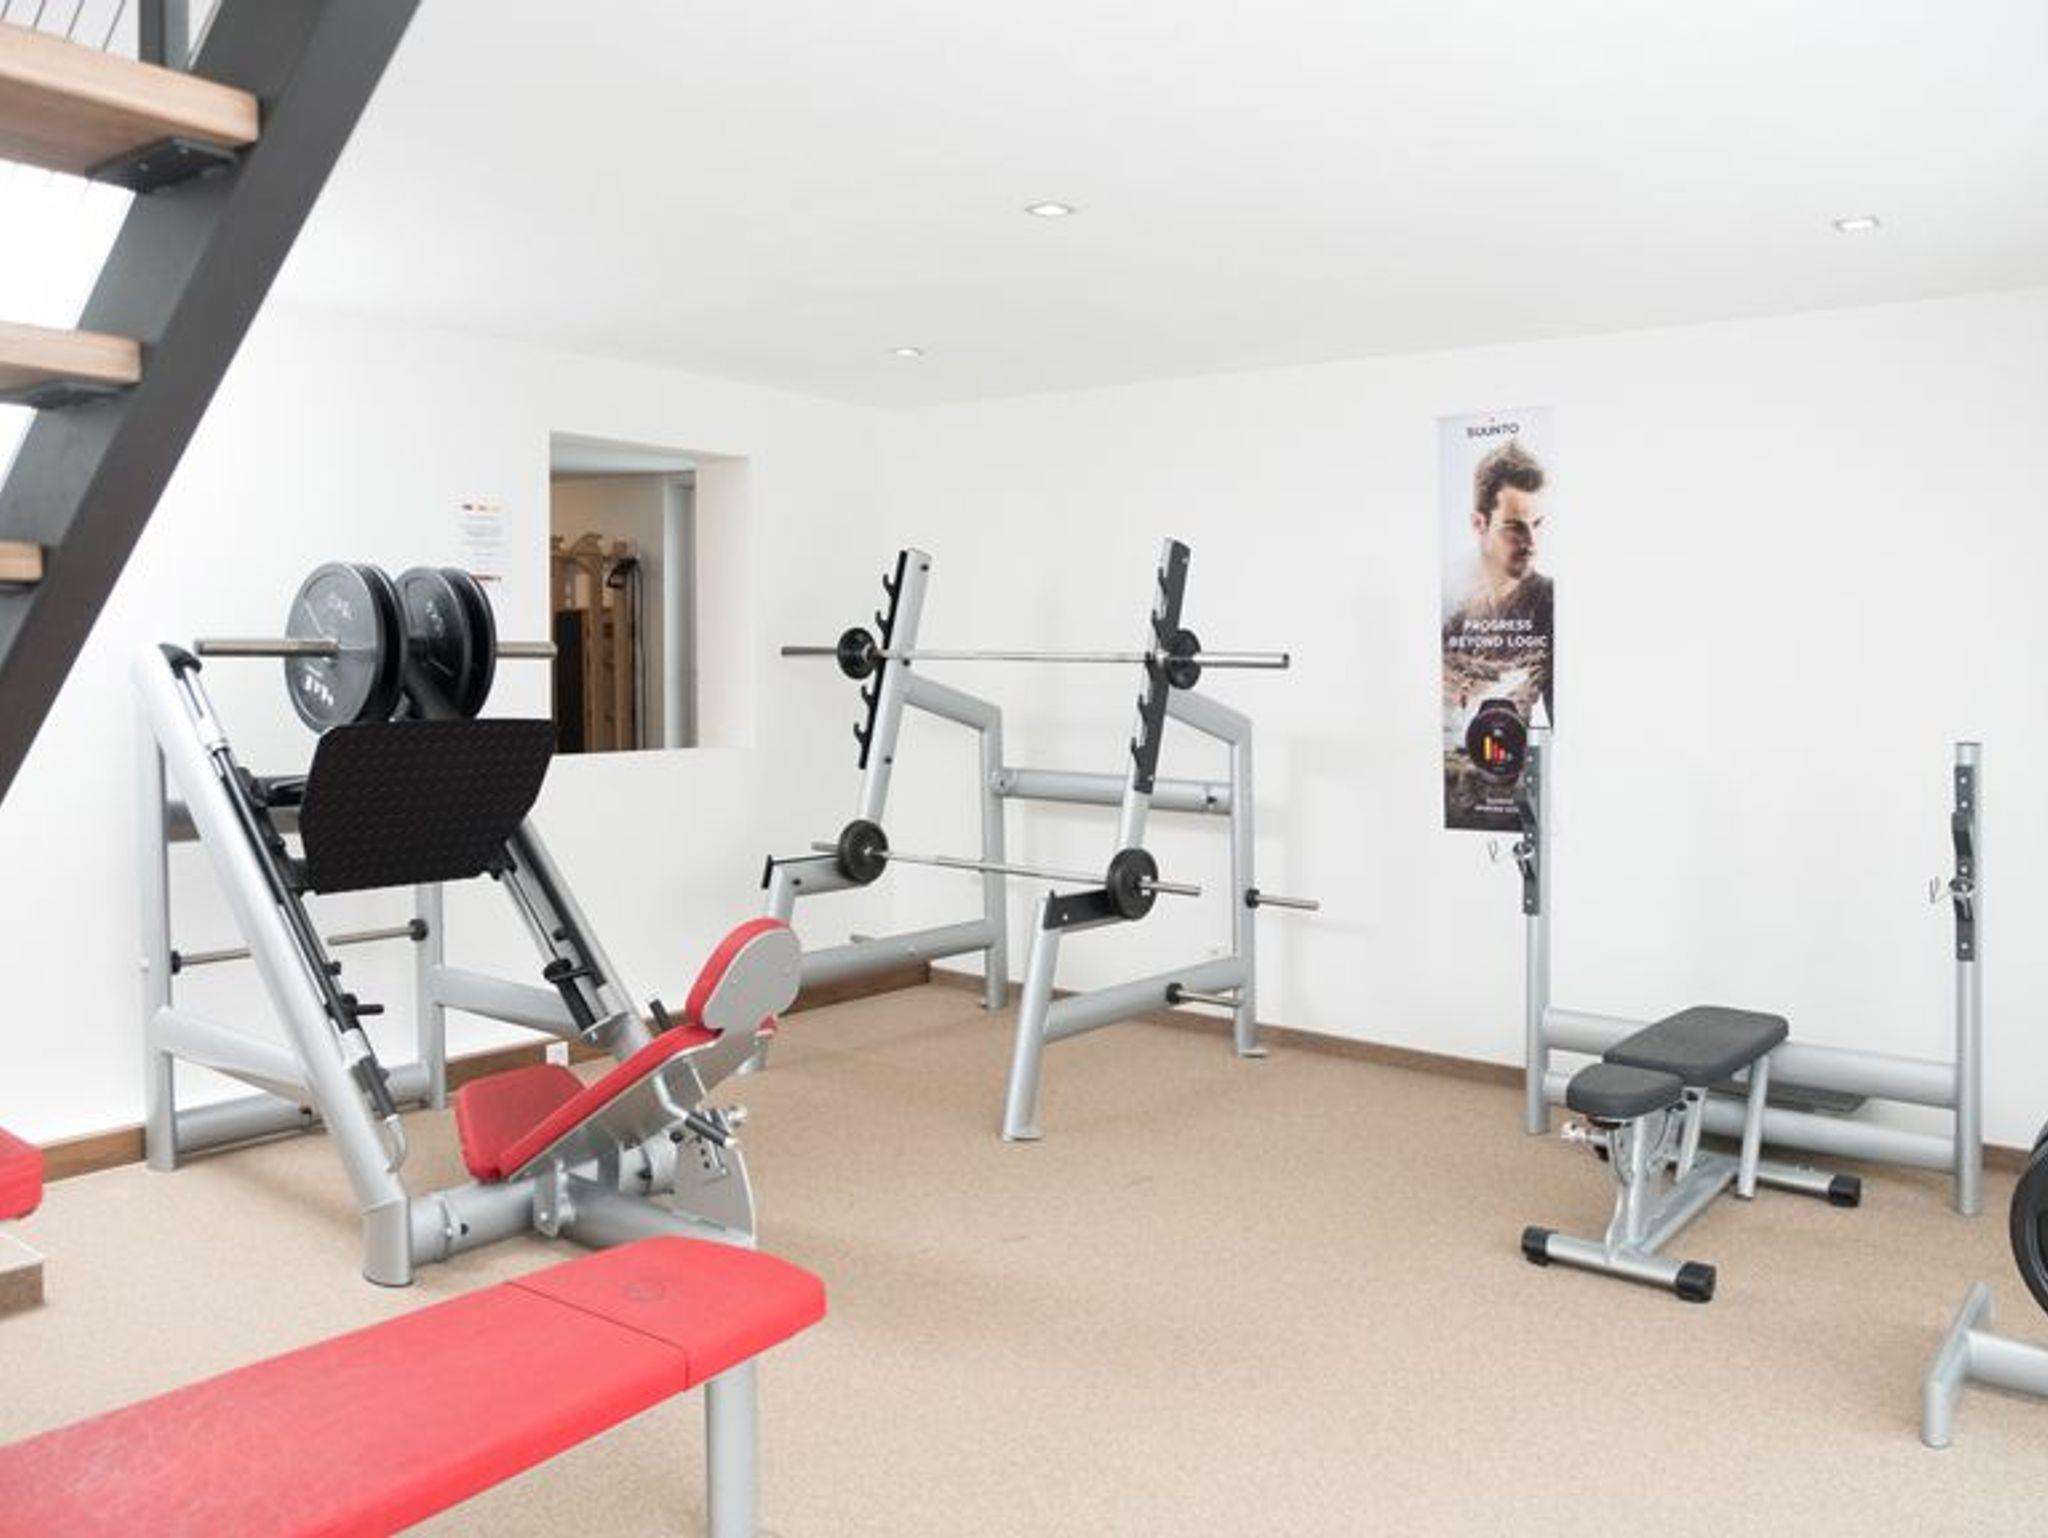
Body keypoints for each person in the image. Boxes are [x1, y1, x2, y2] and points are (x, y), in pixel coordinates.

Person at [1443, 437, 1552, 715]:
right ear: (1479, 523)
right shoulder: (1453, 613)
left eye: (1537, 524)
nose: (1531, 542)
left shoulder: (1550, 605)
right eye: (1515, 527)